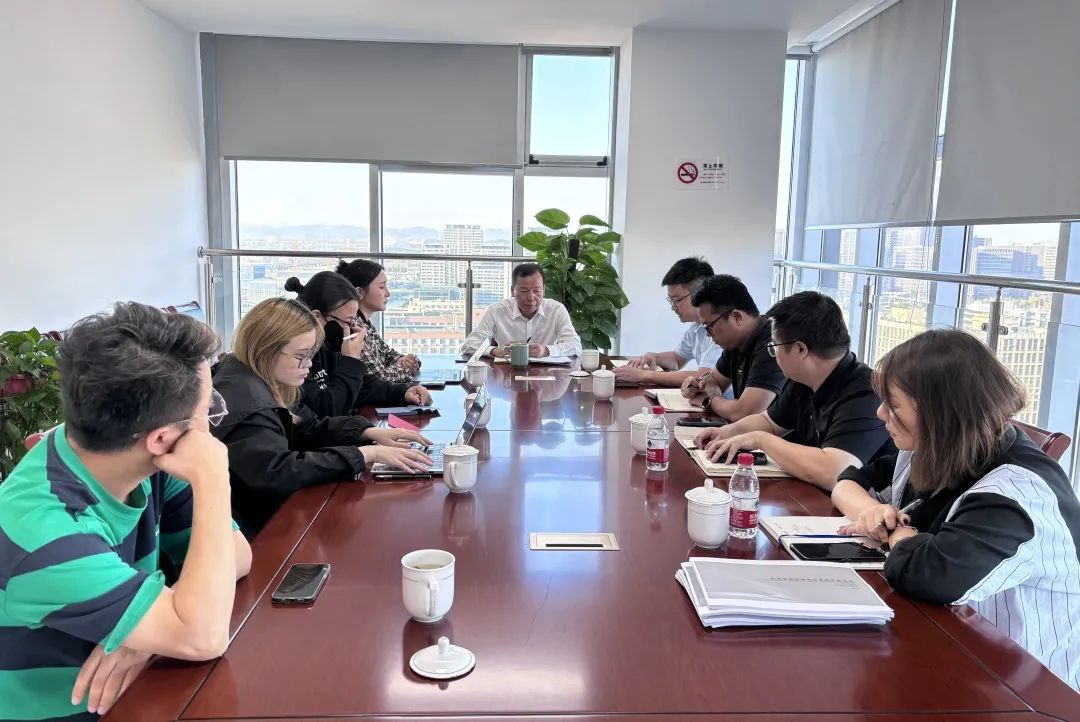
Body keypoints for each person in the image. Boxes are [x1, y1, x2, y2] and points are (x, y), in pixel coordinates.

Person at [0, 302, 252, 721]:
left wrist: (143, 635)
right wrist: (213, 476)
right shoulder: (43, 534)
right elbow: (203, 637)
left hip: (139, 696)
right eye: (207, 412)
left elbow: (237, 555)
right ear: (161, 438)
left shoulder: (133, 459)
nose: (209, 427)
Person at [832, 330, 1080, 691]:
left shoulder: (1015, 493)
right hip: (956, 642)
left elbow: (929, 574)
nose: (880, 413)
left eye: (893, 405)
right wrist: (873, 511)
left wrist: (898, 532)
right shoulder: (933, 449)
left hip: (1026, 685)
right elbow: (848, 481)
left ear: (940, 411)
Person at [212, 298, 434, 537]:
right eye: (302, 355)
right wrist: (364, 454)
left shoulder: (263, 378)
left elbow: (308, 427)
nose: (309, 364)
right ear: (266, 350)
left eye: (311, 354)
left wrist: (367, 432)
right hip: (255, 533)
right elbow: (278, 471)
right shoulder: (247, 402)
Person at [695, 291, 893, 490]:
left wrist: (759, 439)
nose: (774, 355)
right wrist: (726, 433)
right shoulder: (804, 380)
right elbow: (769, 422)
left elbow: (833, 472)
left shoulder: (866, 393)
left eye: (775, 347)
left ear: (800, 349)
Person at [284, 272, 431, 417]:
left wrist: (403, 391)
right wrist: (351, 361)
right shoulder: (296, 358)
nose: (353, 329)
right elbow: (326, 409)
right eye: (348, 322)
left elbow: (362, 385)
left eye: (354, 321)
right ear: (317, 317)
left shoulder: (327, 346)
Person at [676, 274, 786, 421]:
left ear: (737, 317)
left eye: (709, 326)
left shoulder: (773, 343)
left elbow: (745, 413)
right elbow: (714, 381)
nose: (708, 334)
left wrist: (709, 400)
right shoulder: (735, 343)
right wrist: (698, 386)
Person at [613, 257, 721, 386]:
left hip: (720, 398)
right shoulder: (696, 326)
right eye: (671, 300)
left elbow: (703, 377)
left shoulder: (720, 329)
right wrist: (654, 356)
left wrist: (642, 375)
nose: (673, 307)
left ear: (700, 294)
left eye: (677, 300)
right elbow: (677, 359)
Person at [461, 263, 582, 359]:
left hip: (547, 375)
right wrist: (495, 351)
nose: (531, 297)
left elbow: (575, 346)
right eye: (524, 291)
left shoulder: (556, 310)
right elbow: (469, 345)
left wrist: (546, 350)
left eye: (537, 291)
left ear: (544, 290)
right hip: (507, 375)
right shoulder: (497, 310)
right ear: (513, 290)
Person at [335, 258, 421, 384]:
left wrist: (407, 361)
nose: (388, 293)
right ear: (359, 292)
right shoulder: (353, 328)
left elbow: (387, 354)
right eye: (382, 287)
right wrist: (408, 368)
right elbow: (379, 379)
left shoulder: (365, 323)